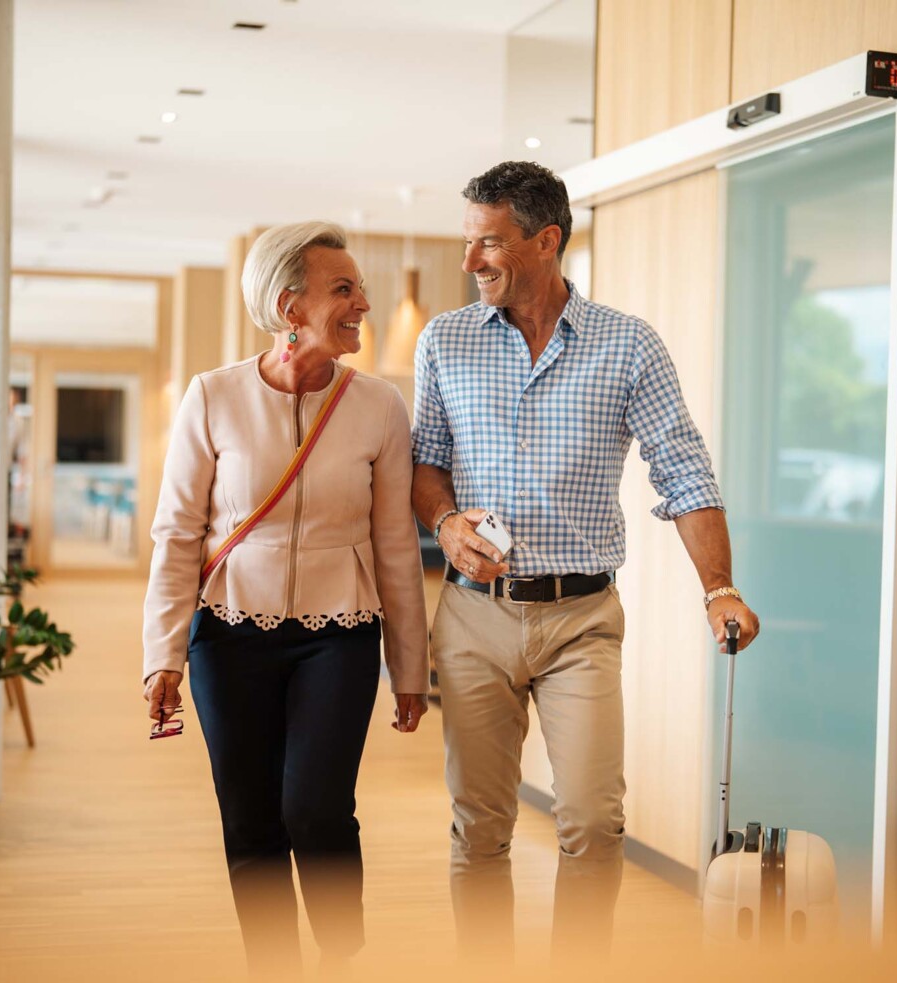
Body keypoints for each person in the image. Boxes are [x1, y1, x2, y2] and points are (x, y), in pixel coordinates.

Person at [411, 161, 760, 962]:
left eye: (488, 243)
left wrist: (720, 588)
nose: (470, 262)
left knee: (593, 824)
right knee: (480, 826)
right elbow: (424, 459)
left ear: (546, 240)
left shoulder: (626, 344)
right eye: (467, 243)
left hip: (580, 620)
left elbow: (681, 466)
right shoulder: (447, 339)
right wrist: (445, 516)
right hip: (472, 614)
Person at [142, 221, 430, 977]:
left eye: (359, 288)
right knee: (250, 819)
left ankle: (341, 957)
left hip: (338, 632)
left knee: (317, 809)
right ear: (288, 305)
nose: (362, 302)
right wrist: (160, 656)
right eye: (344, 289)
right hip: (228, 632)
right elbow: (176, 536)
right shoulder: (212, 396)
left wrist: (409, 667)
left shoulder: (378, 407)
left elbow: (396, 547)